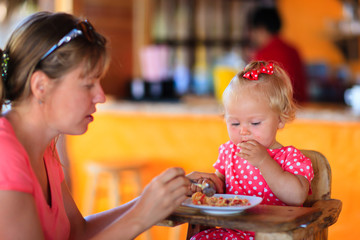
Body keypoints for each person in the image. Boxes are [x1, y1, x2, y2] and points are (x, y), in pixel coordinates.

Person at [0, 11, 190, 240]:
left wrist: (157, 200)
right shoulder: (5, 156)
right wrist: (141, 216)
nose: (100, 96)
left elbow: (78, 232)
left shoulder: (43, 148)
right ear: (41, 85)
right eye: (88, 84)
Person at [187, 61, 314, 240]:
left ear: (280, 119)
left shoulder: (290, 158)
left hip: (275, 235)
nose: (244, 131)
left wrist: (264, 162)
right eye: (234, 123)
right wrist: (209, 185)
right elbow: (220, 186)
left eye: (254, 123)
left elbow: (296, 197)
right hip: (233, 232)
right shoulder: (229, 153)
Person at [248, 6, 308, 103]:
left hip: (280, 109)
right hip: (300, 107)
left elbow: (255, 88)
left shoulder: (263, 54)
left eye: (253, 31)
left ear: (261, 29)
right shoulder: (293, 50)